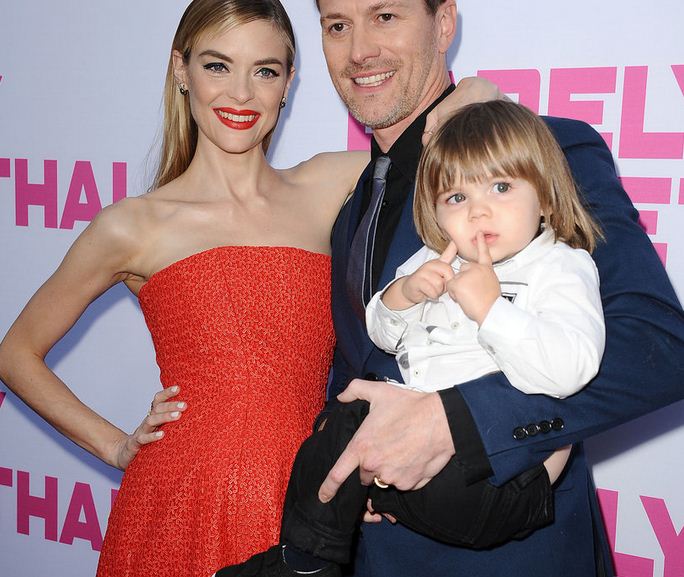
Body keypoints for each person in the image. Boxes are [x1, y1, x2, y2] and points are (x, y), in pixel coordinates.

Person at [0, 1, 495, 575]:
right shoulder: (132, 226)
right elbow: (16, 353)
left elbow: (453, 136)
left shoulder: (332, 183)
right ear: (181, 71)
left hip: (307, 493)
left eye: (265, 71)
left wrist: (475, 92)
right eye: (217, 66)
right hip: (185, 498)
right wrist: (114, 446)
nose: (241, 93)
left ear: (288, 84)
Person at [292, 1, 683, 576]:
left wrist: (456, 419)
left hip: (511, 554)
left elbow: (655, 347)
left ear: (444, 23)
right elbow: (364, 359)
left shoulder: (542, 151)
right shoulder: (353, 199)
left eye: (386, 15)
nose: (360, 51)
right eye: (337, 26)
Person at [219, 99, 607, 577]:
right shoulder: (434, 258)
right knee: (333, 434)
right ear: (437, 213)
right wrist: (402, 295)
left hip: (499, 474)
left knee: (395, 469)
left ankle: (361, 502)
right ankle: (305, 562)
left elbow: (572, 368)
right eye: (457, 198)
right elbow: (382, 335)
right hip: (412, 461)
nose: (478, 211)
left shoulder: (559, 266)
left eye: (501, 187)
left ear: (545, 197)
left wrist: (492, 310)